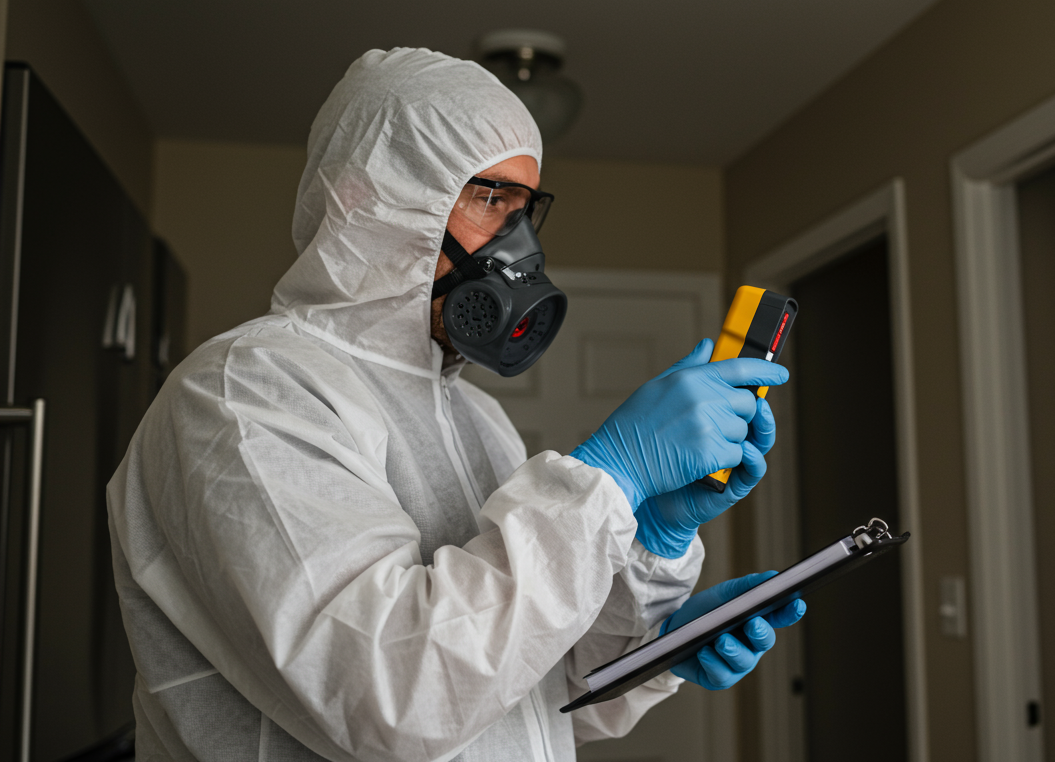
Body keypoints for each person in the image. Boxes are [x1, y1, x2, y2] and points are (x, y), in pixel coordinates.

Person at [107, 47, 803, 762]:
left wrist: (652, 589)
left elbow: (530, 694)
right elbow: (396, 696)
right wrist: (611, 478)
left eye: (525, 211)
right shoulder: (244, 393)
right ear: (363, 201)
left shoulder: (478, 419)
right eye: (490, 200)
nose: (519, 248)